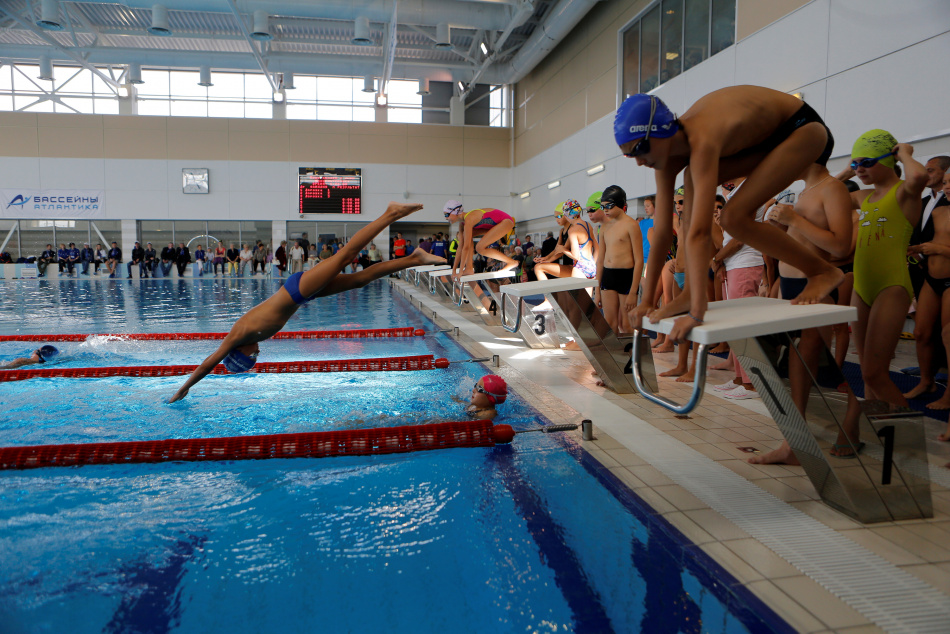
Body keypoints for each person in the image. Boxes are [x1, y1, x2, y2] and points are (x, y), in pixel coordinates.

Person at [617, 88, 844, 345]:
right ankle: (689, 294)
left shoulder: (703, 138)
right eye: (629, 154)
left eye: (639, 149)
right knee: (702, 189)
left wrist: (697, 312)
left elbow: (700, 232)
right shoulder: (665, 159)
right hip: (767, 140)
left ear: (661, 131)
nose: (638, 162)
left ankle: (822, 271)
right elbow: (661, 233)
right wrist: (647, 301)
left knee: (732, 217)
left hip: (802, 129)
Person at [169, 202, 445, 402]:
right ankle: (414, 258)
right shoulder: (246, 339)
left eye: (252, 357)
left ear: (240, 352)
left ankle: (391, 214)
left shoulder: (237, 336)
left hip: (296, 290)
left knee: (345, 256)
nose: (257, 354)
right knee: (360, 280)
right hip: (302, 295)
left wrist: (186, 387)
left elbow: (208, 363)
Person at [745, 164, 855, 465]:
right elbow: (799, 242)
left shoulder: (832, 189)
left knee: (814, 368)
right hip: (791, 286)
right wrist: (783, 227)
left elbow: (840, 247)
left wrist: (794, 219)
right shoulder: (806, 191)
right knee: (798, 368)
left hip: (815, 288)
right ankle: (794, 439)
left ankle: (844, 428)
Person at [907, 170, 950, 408]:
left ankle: (949, 395)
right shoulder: (938, 212)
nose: (947, 186)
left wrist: (939, 250)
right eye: (945, 182)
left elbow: (941, 247)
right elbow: (938, 241)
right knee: (921, 332)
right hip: (931, 279)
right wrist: (920, 248)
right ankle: (926, 382)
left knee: (948, 338)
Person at [594, 186, 643, 335]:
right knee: (610, 324)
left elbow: (639, 261)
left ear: (620, 204)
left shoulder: (631, 225)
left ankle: (631, 351)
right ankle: (614, 351)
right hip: (608, 276)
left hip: (626, 277)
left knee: (627, 326)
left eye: (608, 206)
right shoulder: (604, 227)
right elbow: (600, 260)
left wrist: (633, 292)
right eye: (603, 206)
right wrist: (597, 290)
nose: (605, 210)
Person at [445, 200, 517, 275]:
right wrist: (454, 271)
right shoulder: (462, 224)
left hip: (506, 221)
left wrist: (460, 272)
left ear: (455, 212)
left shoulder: (469, 219)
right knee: (465, 236)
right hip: (494, 224)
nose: (446, 218)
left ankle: (511, 262)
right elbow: (460, 248)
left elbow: (466, 247)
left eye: (447, 215)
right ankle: (469, 268)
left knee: (480, 248)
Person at [534, 199, 599, 281]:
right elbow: (597, 248)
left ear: (566, 215)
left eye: (560, 216)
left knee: (538, 268)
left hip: (578, 267)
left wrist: (563, 250)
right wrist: (592, 264)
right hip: (590, 267)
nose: (557, 219)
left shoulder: (572, 230)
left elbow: (572, 254)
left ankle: (547, 290)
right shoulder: (587, 225)